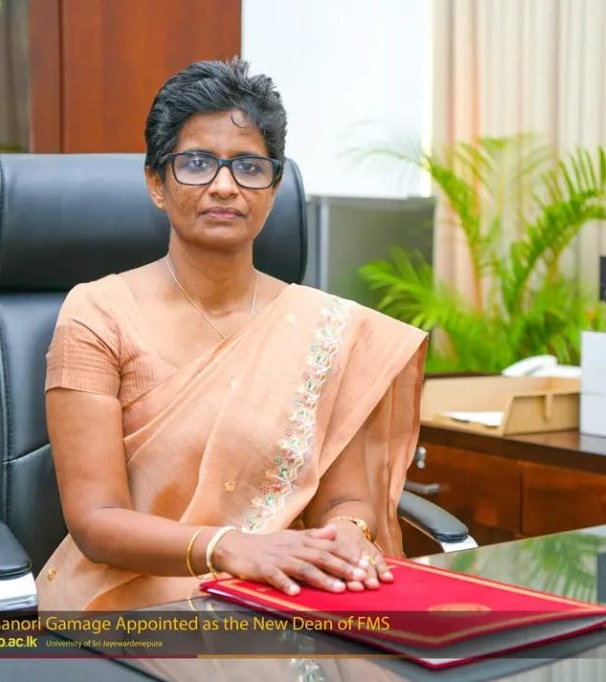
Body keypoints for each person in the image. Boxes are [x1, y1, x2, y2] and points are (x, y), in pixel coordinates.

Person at [36, 59, 428, 611]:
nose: (224, 186)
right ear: (156, 183)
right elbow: (96, 521)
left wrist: (349, 531)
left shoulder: (324, 327)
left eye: (248, 166)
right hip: (133, 601)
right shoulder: (98, 314)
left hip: (278, 593)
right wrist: (229, 547)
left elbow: (345, 499)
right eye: (197, 163)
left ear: (273, 186)